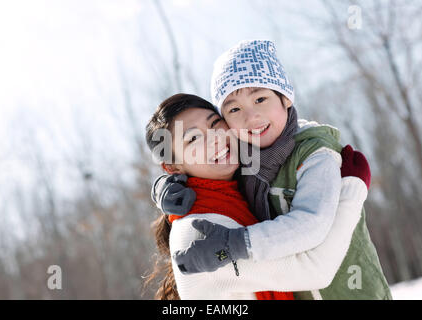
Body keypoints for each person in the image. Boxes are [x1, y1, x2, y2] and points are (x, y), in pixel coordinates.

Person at [152, 40, 391, 299]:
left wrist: (351, 192)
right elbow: (314, 268)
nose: (251, 117)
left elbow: (311, 222)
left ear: (285, 97)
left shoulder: (311, 155)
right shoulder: (201, 230)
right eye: (234, 109)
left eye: (261, 98)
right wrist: (163, 187)